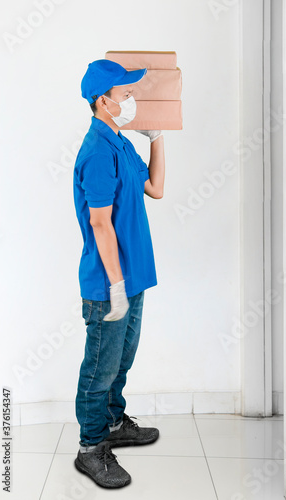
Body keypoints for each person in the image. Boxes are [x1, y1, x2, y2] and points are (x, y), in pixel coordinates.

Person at [72, 59, 165, 488]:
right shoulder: (95, 151)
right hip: (110, 282)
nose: (131, 100)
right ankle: (90, 448)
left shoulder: (121, 143)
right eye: (125, 94)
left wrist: (158, 139)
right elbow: (100, 223)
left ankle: (111, 423)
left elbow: (156, 188)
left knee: (121, 361)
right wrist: (116, 286)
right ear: (102, 100)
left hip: (135, 275)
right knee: (99, 367)